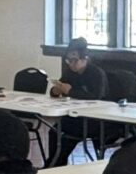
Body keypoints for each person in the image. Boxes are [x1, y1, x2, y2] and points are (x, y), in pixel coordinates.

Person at [47, 37, 110, 165]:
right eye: (68, 60)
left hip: (94, 119)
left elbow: (96, 96)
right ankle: (55, 162)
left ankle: (55, 163)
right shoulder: (70, 73)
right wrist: (56, 91)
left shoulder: (96, 73)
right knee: (54, 131)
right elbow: (60, 87)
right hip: (75, 115)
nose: (71, 64)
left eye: (74, 60)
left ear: (85, 58)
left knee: (64, 135)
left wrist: (70, 91)